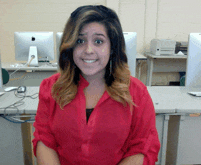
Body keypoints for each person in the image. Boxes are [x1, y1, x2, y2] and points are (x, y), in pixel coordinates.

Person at [32, 5, 160, 165]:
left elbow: (143, 147)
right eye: (80, 41)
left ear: (112, 47)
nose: (88, 50)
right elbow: (45, 140)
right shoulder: (51, 88)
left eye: (98, 41)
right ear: (70, 45)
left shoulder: (137, 92)